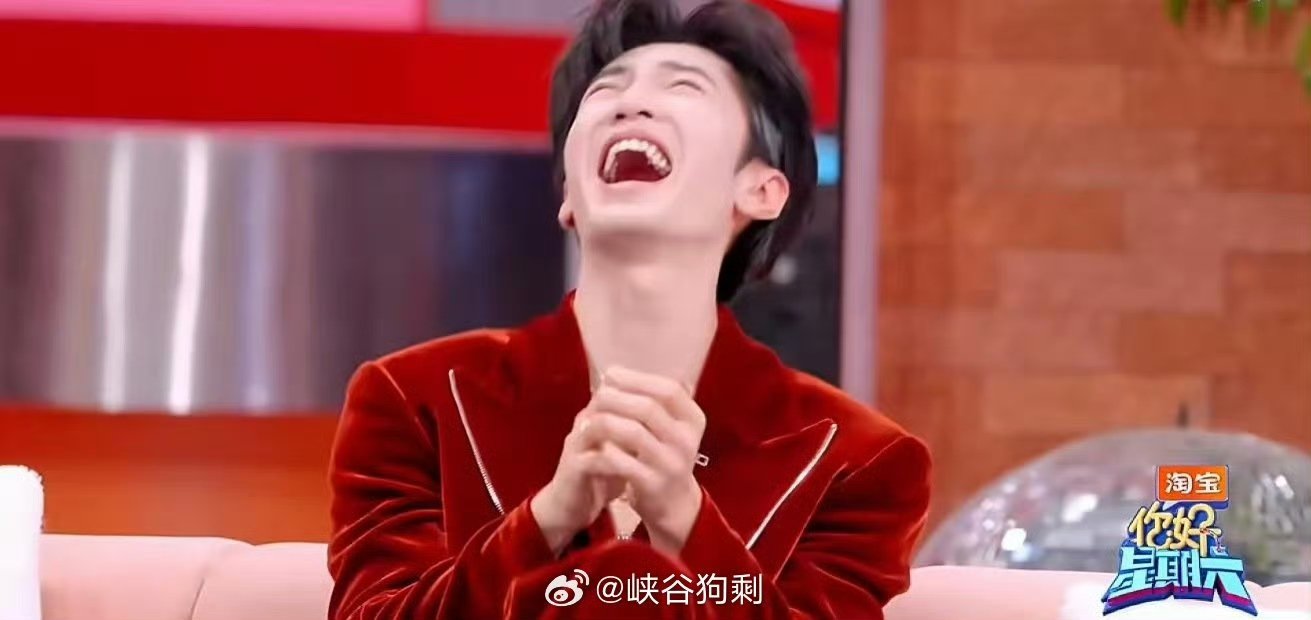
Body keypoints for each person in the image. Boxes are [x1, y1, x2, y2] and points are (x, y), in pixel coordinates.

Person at [326, 0, 932, 618]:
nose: (629, 104)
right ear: (569, 194)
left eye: (683, 87)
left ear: (761, 190)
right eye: (605, 91)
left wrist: (683, 519)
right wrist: (549, 516)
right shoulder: (416, 400)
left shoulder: (858, 462)